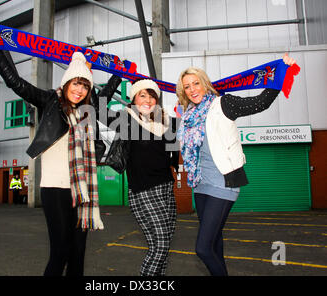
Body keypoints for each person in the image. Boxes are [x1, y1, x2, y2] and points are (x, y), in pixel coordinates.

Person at [0, 25, 121, 275]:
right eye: (75, 84)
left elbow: (108, 93)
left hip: (82, 190)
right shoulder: (49, 101)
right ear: (67, 82)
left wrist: (119, 72)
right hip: (55, 188)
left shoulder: (90, 111)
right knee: (60, 252)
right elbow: (16, 84)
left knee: (78, 253)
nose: (79, 90)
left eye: (84, 86)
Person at [176, 53, 297, 276]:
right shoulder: (188, 114)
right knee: (214, 241)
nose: (192, 89)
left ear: (205, 84)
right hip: (200, 185)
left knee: (202, 249)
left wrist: (282, 72)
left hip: (223, 182)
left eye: (196, 83)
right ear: (183, 91)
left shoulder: (223, 104)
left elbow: (261, 103)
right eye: (187, 86)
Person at [105, 79, 179, 276]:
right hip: (143, 191)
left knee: (163, 247)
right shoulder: (127, 120)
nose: (148, 100)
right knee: (161, 245)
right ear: (133, 99)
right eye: (142, 95)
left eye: (152, 96)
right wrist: (116, 75)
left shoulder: (168, 123)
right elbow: (99, 104)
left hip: (166, 190)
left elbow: (173, 155)